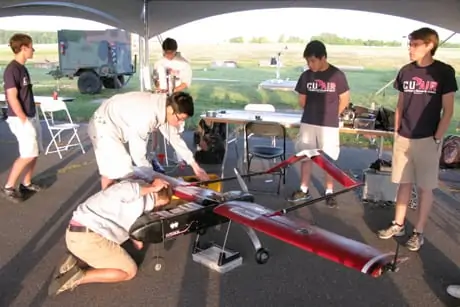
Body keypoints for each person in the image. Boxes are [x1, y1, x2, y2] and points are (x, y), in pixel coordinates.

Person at [377, 27, 458, 251]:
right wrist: (396, 131)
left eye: (415, 44)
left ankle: (418, 232)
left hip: (428, 139)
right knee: (404, 183)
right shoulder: (405, 71)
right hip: (404, 136)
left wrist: (437, 137)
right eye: (409, 44)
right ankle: (398, 224)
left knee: (425, 188)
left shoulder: (443, 72)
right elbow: (401, 104)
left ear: (429, 45)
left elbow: (448, 110)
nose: (410, 49)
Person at [47, 176, 173, 296]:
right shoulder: (134, 192)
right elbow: (129, 192)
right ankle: (76, 278)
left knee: (108, 252)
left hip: (74, 233)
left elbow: (125, 217)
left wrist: (135, 239)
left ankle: (75, 262)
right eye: (161, 205)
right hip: (89, 238)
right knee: (129, 271)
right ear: (157, 196)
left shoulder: (131, 187)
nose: (158, 209)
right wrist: (152, 189)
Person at [87, 91, 209, 190]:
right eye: (180, 119)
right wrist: (153, 179)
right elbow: (138, 154)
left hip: (115, 123)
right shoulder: (146, 116)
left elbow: (175, 139)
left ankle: (116, 202)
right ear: (171, 111)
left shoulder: (164, 106)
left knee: (120, 171)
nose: (181, 123)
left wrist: (195, 167)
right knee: (120, 169)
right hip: (103, 125)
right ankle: (108, 205)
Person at [288, 40, 350, 208]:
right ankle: (304, 188)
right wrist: (312, 113)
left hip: (329, 125)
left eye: (313, 61)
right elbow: (302, 100)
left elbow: (344, 99)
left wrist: (332, 115)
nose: (310, 64)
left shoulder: (337, 75)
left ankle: (329, 191)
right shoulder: (306, 76)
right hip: (309, 122)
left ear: (323, 58)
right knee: (306, 155)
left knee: (327, 159)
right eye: (308, 61)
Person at [1, 33, 43, 203]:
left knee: (35, 152)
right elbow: (12, 97)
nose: (33, 50)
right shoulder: (12, 70)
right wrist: (24, 119)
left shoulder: (22, 68)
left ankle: (26, 183)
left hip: (31, 115)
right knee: (27, 153)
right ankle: (9, 187)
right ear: (24, 48)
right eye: (31, 46)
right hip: (21, 119)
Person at [152, 38, 193, 159]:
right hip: (161, 97)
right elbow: (155, 79)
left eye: (171, 53)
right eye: (166, 53)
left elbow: (186, 83)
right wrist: (159, 87)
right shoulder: (159, 63)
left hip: (176, 97)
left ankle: (179, 155)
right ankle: (156, 154)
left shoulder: (184, 64)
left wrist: (172, 91)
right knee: (158, 123)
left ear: (176, 51)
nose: (169, 55)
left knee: (177, 124)